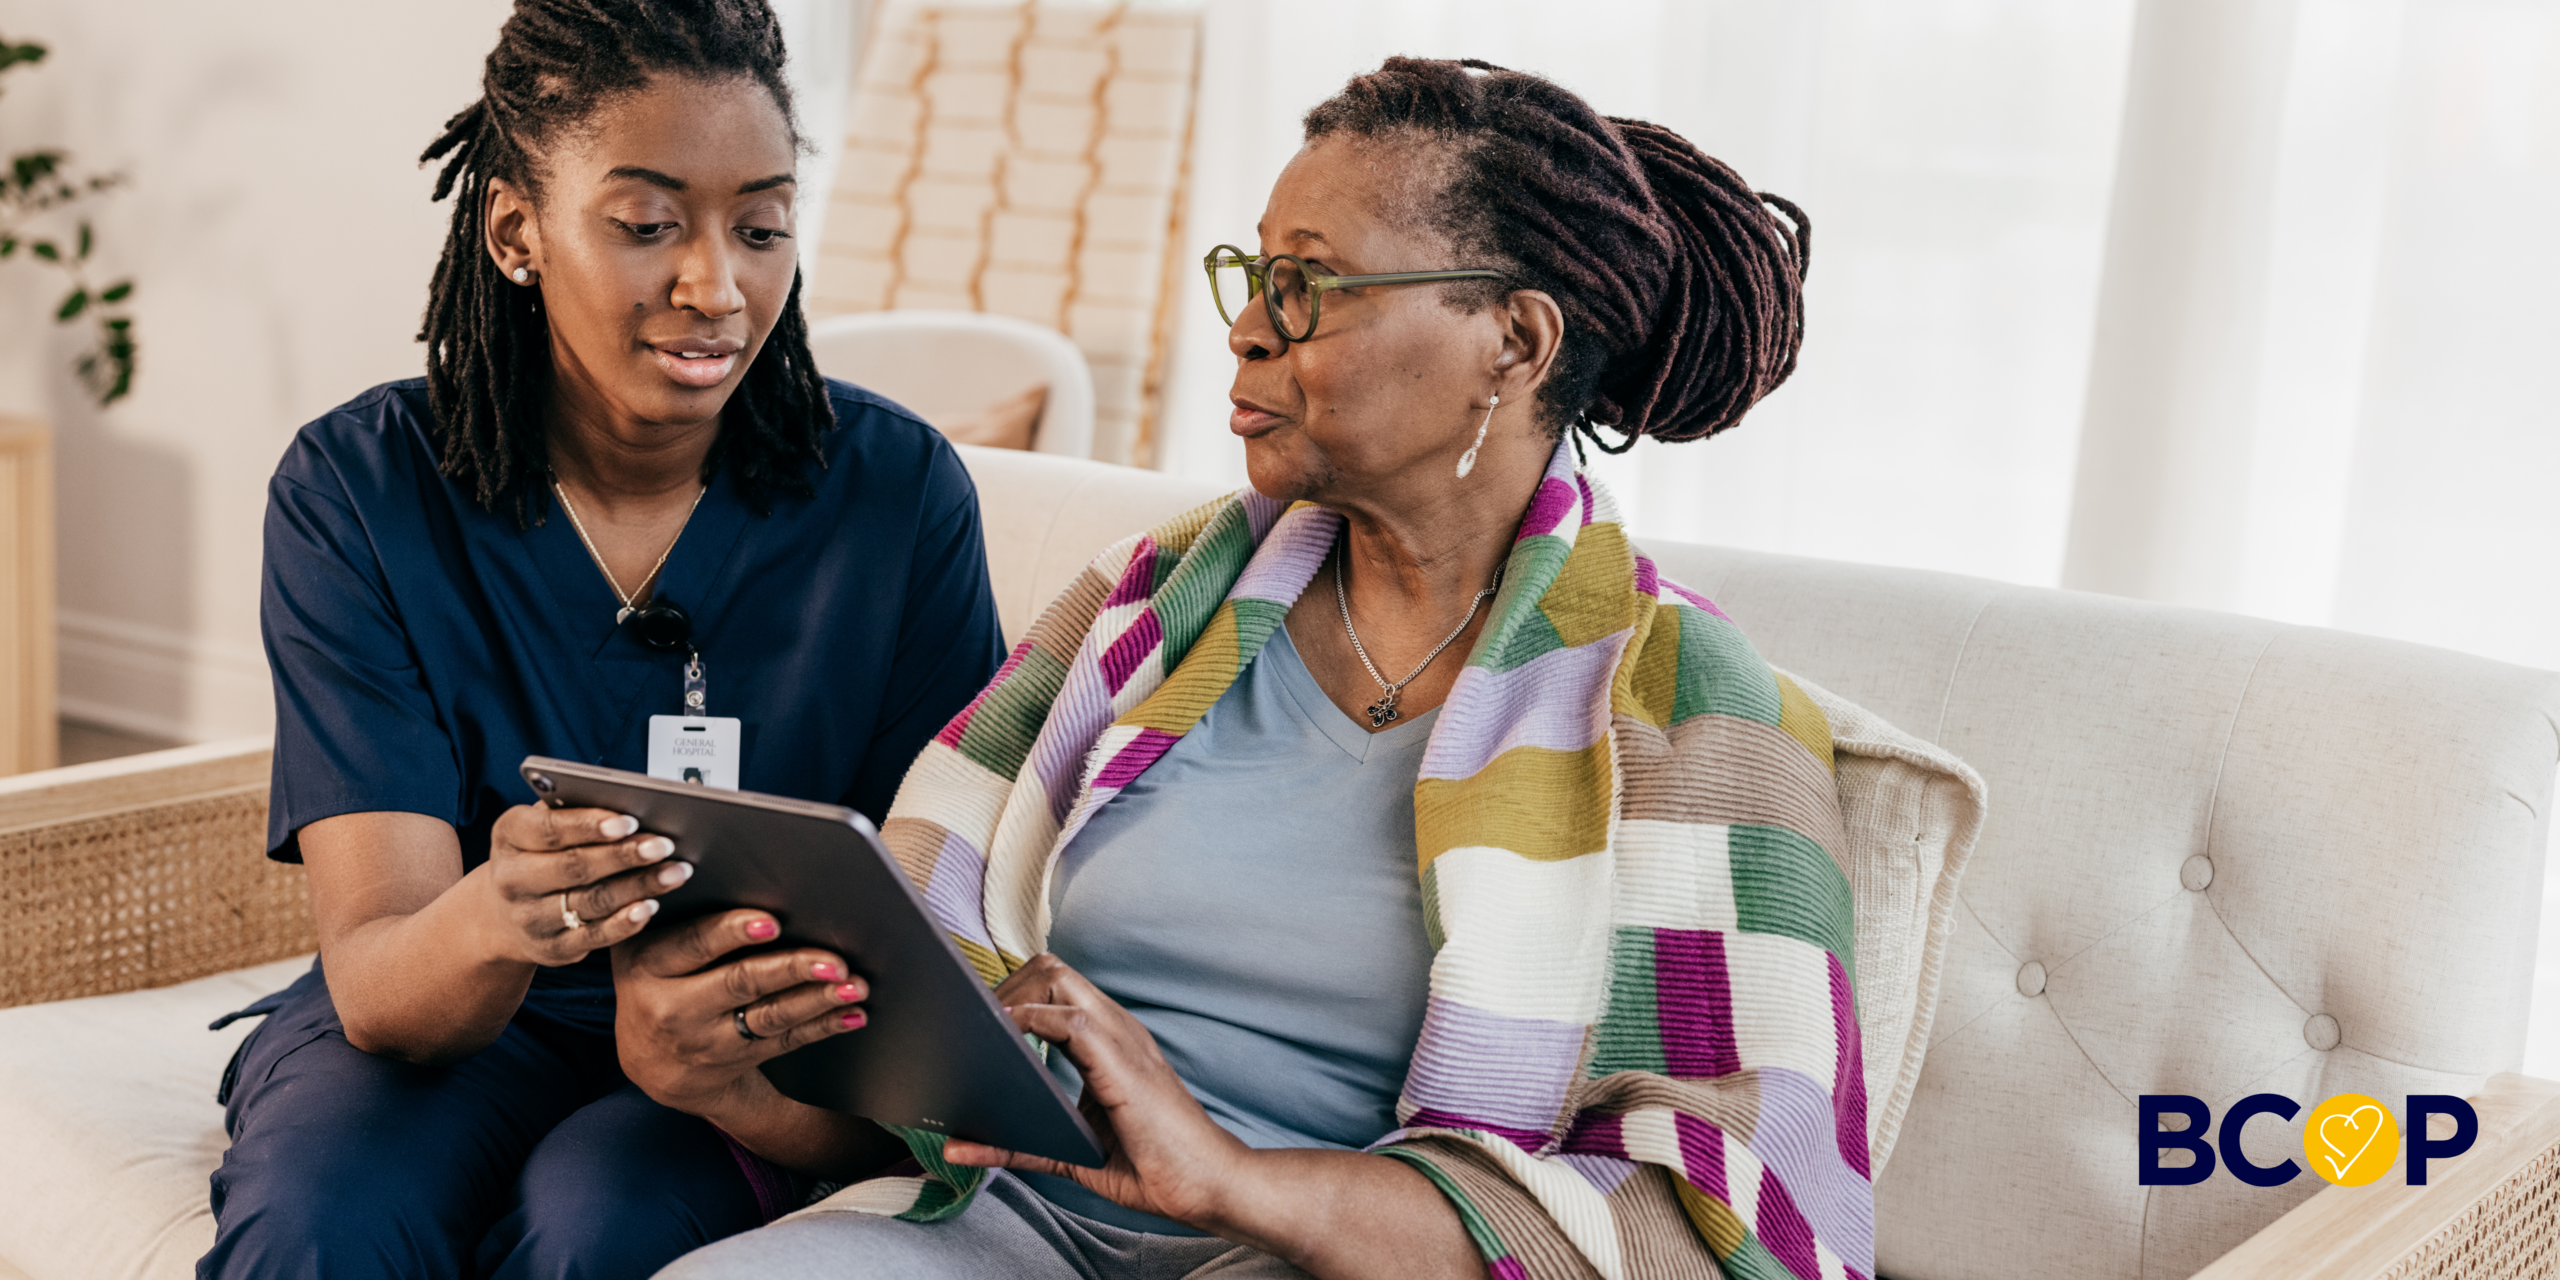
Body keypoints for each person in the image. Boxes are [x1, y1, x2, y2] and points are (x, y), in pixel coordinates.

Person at [638, 57, 1869, 1280]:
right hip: (1008, 1212)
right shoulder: (1149, 603)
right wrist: (734, 1081)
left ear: (1514, 340)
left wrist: (1229, 1178)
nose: (1244, 327)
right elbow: (930, 1064)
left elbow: (1706, 1221)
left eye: (1309, 285)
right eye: (1254, 274)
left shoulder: (1693, 708)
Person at [198, 2, 1003, 1276]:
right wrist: (500, 909)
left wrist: (753, 1066)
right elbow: (387, 990)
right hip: (467, 1010)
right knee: (323, 1215)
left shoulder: (896, 497)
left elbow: (943, 928)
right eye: (646, 224)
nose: (715, 285)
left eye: (760, 226)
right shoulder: (361, 488)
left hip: (739, 1046)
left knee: (604, 1221)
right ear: (516, 229)